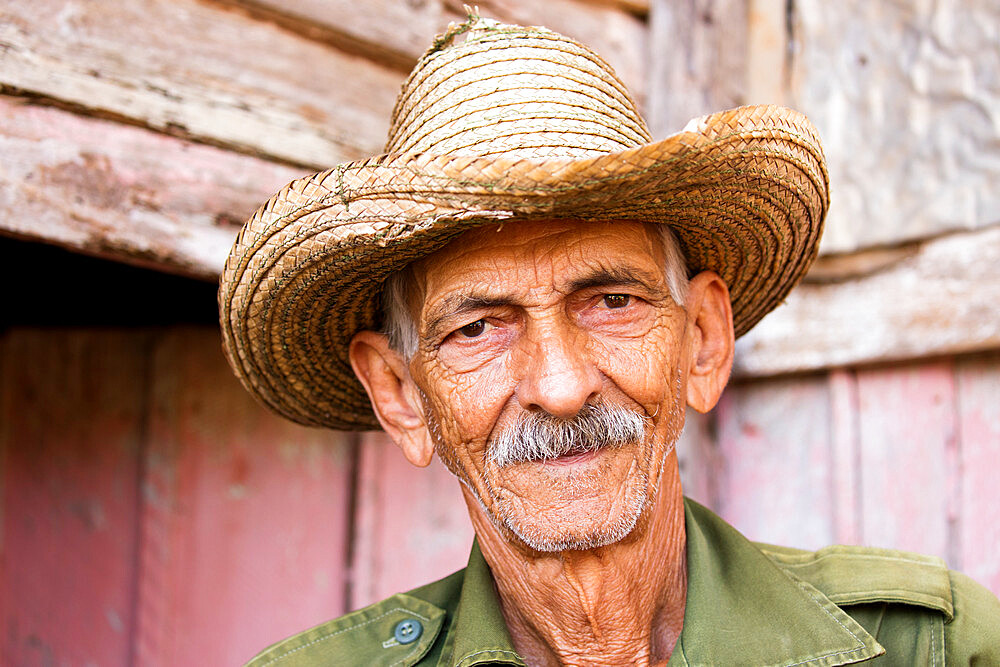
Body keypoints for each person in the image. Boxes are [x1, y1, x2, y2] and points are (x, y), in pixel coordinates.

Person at [219, 14, 1000, 666]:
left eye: (611, 300)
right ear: (401, 395)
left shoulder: (932, 644)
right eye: (478, 327)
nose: (560, 385)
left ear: (701, 338)